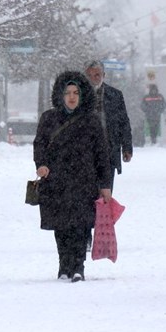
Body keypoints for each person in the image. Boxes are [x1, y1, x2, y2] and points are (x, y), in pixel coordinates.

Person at [33, 71, 112, 282]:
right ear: (60, 95)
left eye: (76, 93)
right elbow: (39, 144)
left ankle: (78, 266)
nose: (71, 97)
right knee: (61, 226)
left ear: (82, 94)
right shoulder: (49, 119)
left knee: (81, 225)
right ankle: (64, 265)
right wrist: (41, 165)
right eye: (67, 92)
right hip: (56, 181)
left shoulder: (91, 120)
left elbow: (101, 154)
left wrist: (105, 185)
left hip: (84, 181)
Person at [84, 60, 133, 188]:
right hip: (84, 153)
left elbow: (123, 122)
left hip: (108, 152)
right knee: (86, 192)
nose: (93, 79)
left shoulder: (115, 95)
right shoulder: (77, 96)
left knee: (106, 190)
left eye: (97, 75)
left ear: (103, 75)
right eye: (89, 75)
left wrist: (127, 147)